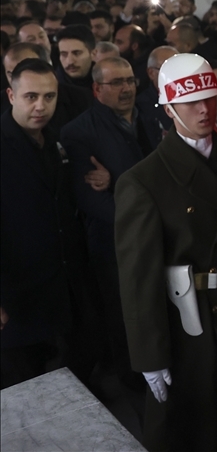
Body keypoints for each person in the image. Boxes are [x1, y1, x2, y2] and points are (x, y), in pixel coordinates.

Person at [114, 53, 217, 452]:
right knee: (198, 425)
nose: (203, 109)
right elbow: (139, 277)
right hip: (188, 318)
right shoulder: (143, 181)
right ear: (167, 109)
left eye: (209, 99)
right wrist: (149, 353)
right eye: (190, 102)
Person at [1, 58, 94, 388]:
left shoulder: (54, 140)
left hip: (59, 283)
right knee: (25, 388)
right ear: (11, 96)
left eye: (49, 97)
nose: (41, 106)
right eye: (30, 97)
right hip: (15, 293)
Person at [60, 57, 152, 382]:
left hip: (156, 234)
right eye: (117, 83)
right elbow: (91, 200)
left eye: (129, 80)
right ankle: (132, 377)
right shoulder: (78, 132)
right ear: (97, 89)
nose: (126, 88)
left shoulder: (152, 116)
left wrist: (115, 181)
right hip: (113, 241)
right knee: (123, 313)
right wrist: (146, 221)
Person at [56, 25, 96, 91]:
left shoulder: (106, 82)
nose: (70, 61)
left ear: (93, 54)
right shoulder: (52, 87)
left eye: (77, 53)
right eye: (64, 54)